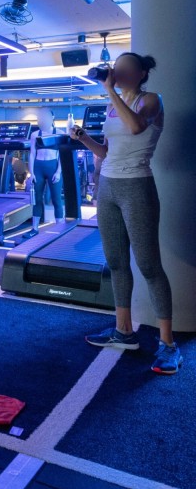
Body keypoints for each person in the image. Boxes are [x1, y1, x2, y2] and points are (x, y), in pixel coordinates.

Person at [71, 53, 180, 374]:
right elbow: (106, 152)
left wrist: (109, 89)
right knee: (116, 262)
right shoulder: (112, 105)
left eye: (125, 68)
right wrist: (83, 138)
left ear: (141, 72)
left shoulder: (151, 100)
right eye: (116, 68)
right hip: (108, 187)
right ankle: (124, 331)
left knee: (149, 265)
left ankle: (168, 345)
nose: (117, 72)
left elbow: (135, 128)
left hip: (137, 186)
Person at [24, 109, 65, 238]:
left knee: (56, 199)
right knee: (37, 199)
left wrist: (58, 172)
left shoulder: (59, 133)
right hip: (38, 167)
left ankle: (59, 229)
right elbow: (32, 154)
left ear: (52, 117)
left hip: (53, 167)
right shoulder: (35, 134)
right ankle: (34, 228)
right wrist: (32, 173)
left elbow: (62, 155)